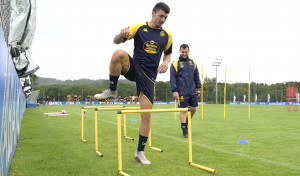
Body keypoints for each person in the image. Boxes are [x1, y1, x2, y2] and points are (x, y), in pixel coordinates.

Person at [94, 2, 172, 165]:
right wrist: (121, 34)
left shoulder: (167, 35)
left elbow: (168, 54)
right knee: (118, 54)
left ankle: (140, 152)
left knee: (146, 116)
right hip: (134, 67)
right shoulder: (138, 28)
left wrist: (165, 63)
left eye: (165, 17)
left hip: (149, 77)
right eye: (161, 16)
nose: (163, 20)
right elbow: (116, 41)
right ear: (153, 13)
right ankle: (112, 91)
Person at [170, 44, 201, 138]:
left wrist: (198, 88)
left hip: (192, 91)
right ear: (180, 51)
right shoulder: (175, 63)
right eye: (182, 52)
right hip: (182, 91)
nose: (184, 53)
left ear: (189, 51)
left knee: (194, 109)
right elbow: (172, 78)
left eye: (186, 52)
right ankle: (184, 130)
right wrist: (174, 90)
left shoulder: (193, 63)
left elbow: (197, 76)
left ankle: (186, 123)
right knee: (183, 111)